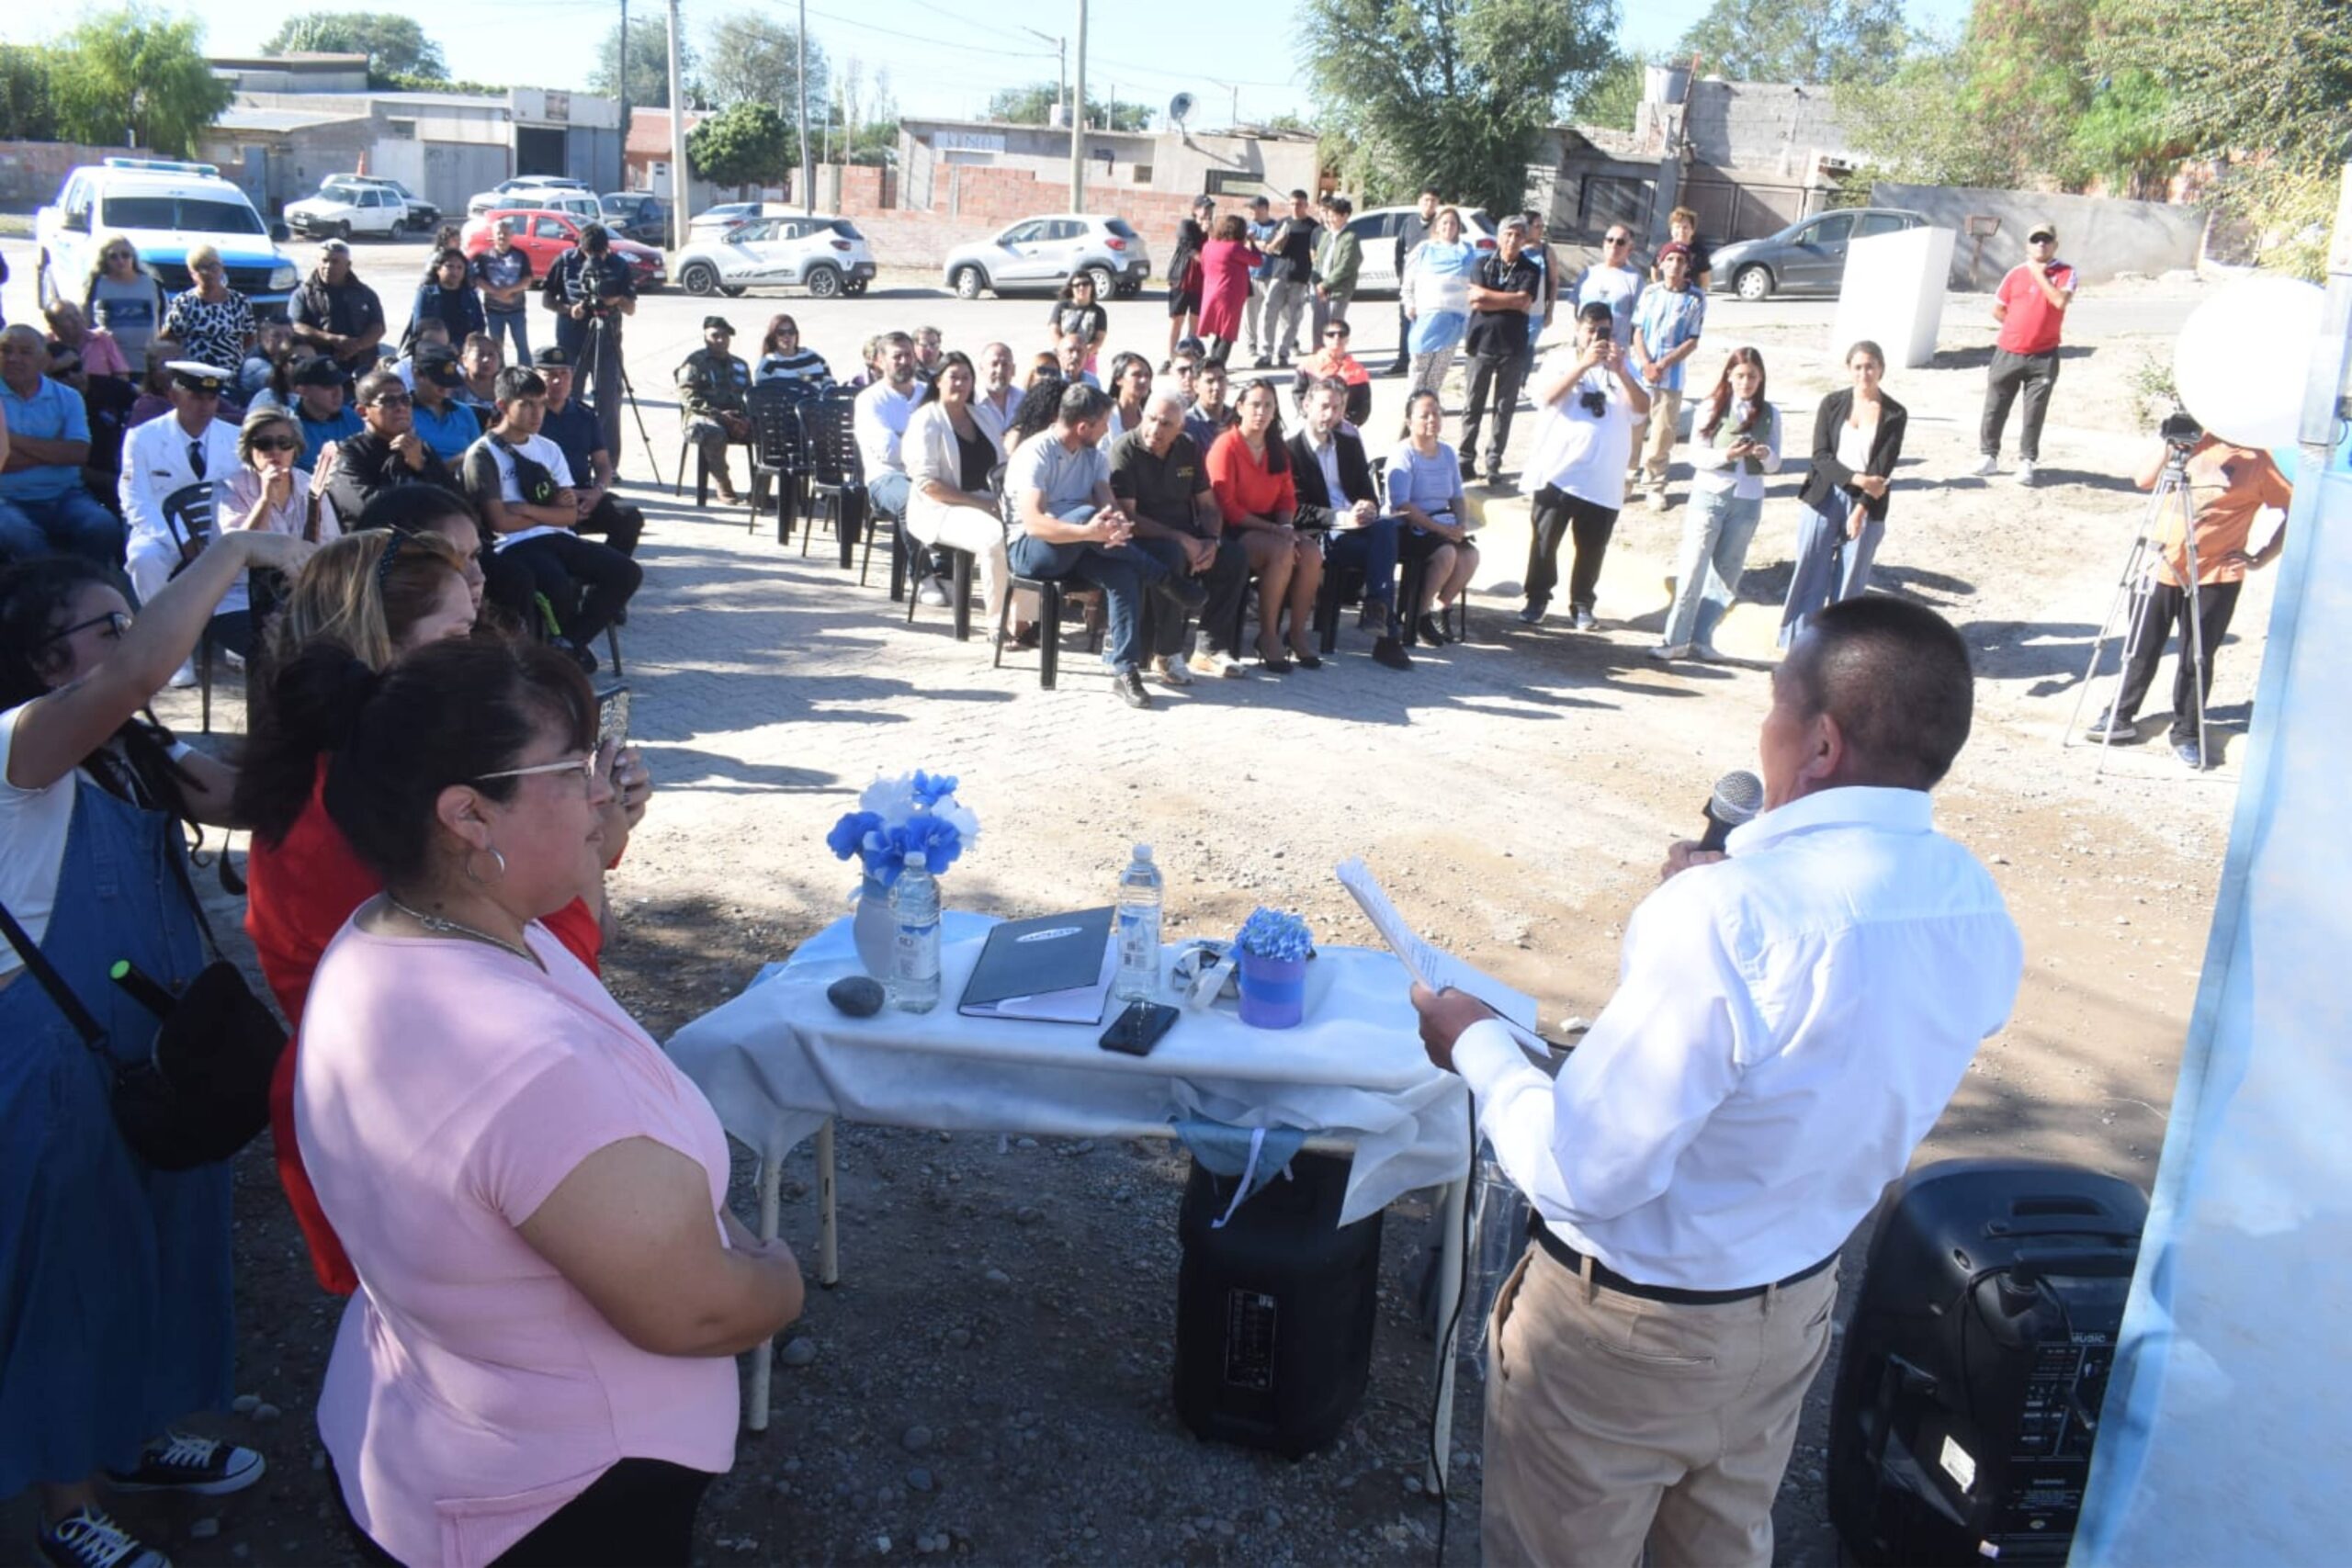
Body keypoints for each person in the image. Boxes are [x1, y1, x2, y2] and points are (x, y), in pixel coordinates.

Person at [1409, 595, 2023, 1568]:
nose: (1764, 729)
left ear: (1820, 743)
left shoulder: (1727, 918)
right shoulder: (1972, 902)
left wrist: (1478, 1046)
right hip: (1791, 1308)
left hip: (1626, 1334)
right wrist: (1711, 905)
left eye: (1775, 704)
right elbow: (1847, 1030)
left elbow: (1583, 1175)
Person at [255, 635, 793, 1567]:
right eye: (573, 770)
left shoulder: (390, 934)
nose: (601, 792)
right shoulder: (531, 1065)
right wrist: (779, 1272)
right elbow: (697, 1313)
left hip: (431, 1441)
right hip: (555, 1500)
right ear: (468, 815)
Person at [1, 535, 316, 1568]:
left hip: (159, 1040)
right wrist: (240, 546)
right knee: (71, 1270)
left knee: (162, 1243)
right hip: (52, 1055)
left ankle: (133, 1440)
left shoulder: (132, 746)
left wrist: (314, 685)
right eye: (111, 625)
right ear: (46, 660)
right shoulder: (18, 750)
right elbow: (138, 671)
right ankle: (66, 1504)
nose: (137, 640)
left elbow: (240, 799)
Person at [2084, 434, 2291, 769]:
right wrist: (2171, 440)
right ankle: (2119, 716)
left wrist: (2261, 557)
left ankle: (2186, 733)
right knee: (2140, 647)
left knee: (2197, 656)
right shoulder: (2189, 443)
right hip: (2159, 566)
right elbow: (2143, 480)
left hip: (2215, 575)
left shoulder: (2259, 462)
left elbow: (2294, 510)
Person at [1004, 382, 1198, 708]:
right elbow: (1035, 523)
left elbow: (1108, 504)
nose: (1109, 430)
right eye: (1104, 423)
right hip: (1033, 549)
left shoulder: (1094, 456)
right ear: (1083, 427)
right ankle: (1162, 577)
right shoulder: (1035, 453)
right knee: (1085, 514)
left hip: (1081, 543)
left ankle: (1125, 670)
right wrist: (1088, 530)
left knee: (1123, 573)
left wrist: (1116, 524)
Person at [460, 367, 642, 671]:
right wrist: (548, 515)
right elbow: (499, 522)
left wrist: (527, 509)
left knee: (626, 572)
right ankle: (558, 655)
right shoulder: (483, 454)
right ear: (503, 405)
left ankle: (569, 644)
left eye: (541, 404)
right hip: (513, 545)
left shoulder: (548, 449)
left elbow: (570, 514)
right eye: (527, 405)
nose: (537, 414)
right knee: (556, 584)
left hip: (557, 535)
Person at [1518, 301, 1650, 630]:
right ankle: (1537, 598)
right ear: (1577, 329)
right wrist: (1583, 365)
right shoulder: (1559, 360)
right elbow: (1545, 398)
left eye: (1603, 331)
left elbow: (1642, 409)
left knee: (1592, 549)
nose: (1596, 337)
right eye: (1590, 330)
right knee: (1545, 542)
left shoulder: (1623, 366)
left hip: (1603, 478)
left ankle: (1582, 604)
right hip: (1559, 473)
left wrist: (1621, 372)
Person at [1111, 387, 1251, 684]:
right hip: (1143, 539)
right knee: (1171, 556)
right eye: (1151, 419)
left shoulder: (1187, 447)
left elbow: (1208, 506)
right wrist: (1182, 540)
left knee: (1234, 556)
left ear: (1180, 427)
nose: (1155, 429)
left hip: (1187, 534)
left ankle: (1211, 648)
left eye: (1166, 424)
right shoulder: (1125, 449)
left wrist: (1211, 541)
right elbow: (1129, 518)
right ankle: (1167, 652)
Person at [121, 361, 251, 677]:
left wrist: (219, 539)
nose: (204, 406)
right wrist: (179, 541)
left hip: (221, 532)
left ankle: (235, 638)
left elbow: (243, 494)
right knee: (143, 558)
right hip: (162, 532)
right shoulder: (143, 438)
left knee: (246, 557)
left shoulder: (236, 439)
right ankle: (171, 654)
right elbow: (136, 500)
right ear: (174, 396)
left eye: (211, 398)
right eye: (195, 397)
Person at [1655, 346, 1782, 662]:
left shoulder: (1770, 413)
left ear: (1761, 378)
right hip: (1710, 495)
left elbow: (1776, 464)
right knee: (1693, 568)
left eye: (1752, 376)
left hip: (1748, 499)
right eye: (1740, 375)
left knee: (1728, 573)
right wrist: (1727, 454)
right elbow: (1696, 456)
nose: (1746, 382)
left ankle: (1702, 637)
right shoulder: (1711, 407)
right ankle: (1675, 639)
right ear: (1729, 376)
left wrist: (1764, 455)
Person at [1780, 340, 1909, 647]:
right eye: (1858, 367)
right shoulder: (1832, 403)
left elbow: (1882, 469)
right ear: (1849, 369)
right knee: (1810, 568)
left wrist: (1861, 508)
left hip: (1867, 502)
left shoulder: (1895, 413)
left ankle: (1837, 646)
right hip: (1825, 493)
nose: (1864, 373)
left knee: (1851, 577)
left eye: (1870, 367)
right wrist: (1856, 479)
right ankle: (1797, 644)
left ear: (1881, 369)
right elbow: (1821, 456)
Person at [1289, 377, 1411, 670]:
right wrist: (1342, 518)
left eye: (1337, 408)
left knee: (1386, 528)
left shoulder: (1348, 443)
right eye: (1324, 406)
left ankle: (1377, 611)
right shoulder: (1291, 451)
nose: (1330, 414)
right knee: (1383, 549)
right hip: (1324, 534)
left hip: (1360, 528)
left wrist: (1367, 506)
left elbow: (1366, 493)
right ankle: (1386, 633)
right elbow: (1296, 511)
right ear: (1307, 406)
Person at [1208, 378, 1323, 671]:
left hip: (1273, 526)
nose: (1261, 412)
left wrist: (1286, 527)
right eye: (1255, 404)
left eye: (1268, 406)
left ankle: (1296, 633)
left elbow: (1287, 497)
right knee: (1281, 552)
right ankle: (1268, 635)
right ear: (1240, 407)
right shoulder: (1226, 446)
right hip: (1235, 529)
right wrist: (1276, 532)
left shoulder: (1277, 448)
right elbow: (1227, 507)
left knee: (1311, 553)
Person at [902, 350, 1012, 634]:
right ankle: (998, 625)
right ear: (938, 381)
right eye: (954, 377)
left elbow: (1002, 465)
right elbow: (927, 484)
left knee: (1031, 531)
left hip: (988, 501)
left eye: (966, 378)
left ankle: (1024, 620)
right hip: (941, 508)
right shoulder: (926, 419)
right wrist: (980, 504)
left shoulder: (982, 415)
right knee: (995, 538)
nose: (961, 384)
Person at [0, 327, 123, 566]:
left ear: (44, 360)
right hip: (7, 499)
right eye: (5, 350)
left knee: (102, 525)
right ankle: (52, 582)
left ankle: (82, 584)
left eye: (25, 352)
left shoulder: (68, 397)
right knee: (18, 534)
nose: (13, 358)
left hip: (65, 496)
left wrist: (11, 439)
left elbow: (78, 453)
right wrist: (55, 450)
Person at [1976, 221, 2076, 485]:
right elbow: (1998, 309)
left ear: (2055, 244)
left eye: (2046, 239)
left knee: (2034, 411)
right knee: (1995, 406)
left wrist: (2038, 273)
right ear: (2027, 245)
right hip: (2008, 352)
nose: (2041, 244)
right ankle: (1988, 455)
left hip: (2043, 356)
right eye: (2035, 239)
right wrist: (2017, 328)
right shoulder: (2015, 274)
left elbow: (2059, 301)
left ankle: (2027, 461)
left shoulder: (2065, 272)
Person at [220, 406, 345, 604]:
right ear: (250, 448)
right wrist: (266, 498)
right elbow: (240, 554)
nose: (275, 451)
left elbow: (331, 545)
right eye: (264, 444)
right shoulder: (230, 487)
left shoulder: (310, 485)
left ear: (295, 448)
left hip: (304, 593)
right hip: (242, 595)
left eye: (284, 443)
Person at [1385, 389, 1480, 642]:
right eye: (1425, 415)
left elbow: (1457, 495)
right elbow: (1402, 504)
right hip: (1409, 527)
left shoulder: (1447, 452)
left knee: (1470, 556)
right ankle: (1418, 614)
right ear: (1409, 422)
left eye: (1436, 414)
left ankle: (1439, 606)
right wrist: (1441, 530)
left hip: (1442, 524)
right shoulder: (1403, 453)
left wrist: (1460, 525)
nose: (1432, 420)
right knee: (1446, 554)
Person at [537, 347, 647, 562]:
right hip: (545, 499)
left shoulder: (585, 415)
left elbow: (603, 464)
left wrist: (597, 492)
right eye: (550, 375)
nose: (558, 381)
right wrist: (563, 497)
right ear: (536, 377)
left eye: (564, 374)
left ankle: (610, 568)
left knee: (629, 516)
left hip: (585, 495)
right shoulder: (531, 416)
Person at [543, 222, 637, 470]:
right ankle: (567, 462)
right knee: (567, 400)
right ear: (580, 249)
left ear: (607, 249)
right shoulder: (565, 261)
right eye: (589, 254)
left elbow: (631, 308)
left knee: (608, 403)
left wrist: (617, 299)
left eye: (600, 254)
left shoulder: (619, 265)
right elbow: (547, 299)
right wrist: (568, 309)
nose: (594, 260)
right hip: (571, 342)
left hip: (608, 342)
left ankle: (608, 466)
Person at [1460, 215, 1543, 486]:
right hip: (1481, 344)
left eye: (1519, 235)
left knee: (1504, 409)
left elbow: (1524, 301)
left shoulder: (1530, 269)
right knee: (1473, 405)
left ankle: (1494, 461)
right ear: (1499, 236)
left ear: (1524, 239)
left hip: (1513, 346)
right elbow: (1475, 301)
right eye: (1508, 234)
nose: (1513, 240)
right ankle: (1465, 459)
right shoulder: (1482, 263)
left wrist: (1489, 297)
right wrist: (1510, 300)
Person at [319, 368, 455, 525]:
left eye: (405, 400)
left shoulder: (421, 449)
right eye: (389, 402)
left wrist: (420, 467)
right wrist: (400, 469)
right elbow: (368, 509)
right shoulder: (347, 454)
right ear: (363, 412)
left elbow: (455, 502)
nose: (401, 407)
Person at [1630, 243, 1708, 507]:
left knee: (1663, 432)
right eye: (1670, 259)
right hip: (1642, 373)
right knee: (1633, 428)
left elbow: (1692, 339)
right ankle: (1625, 479)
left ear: (1687, 266)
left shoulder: (1695, 298)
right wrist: (1646, 363)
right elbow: (1638, 331)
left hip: (1670, 376)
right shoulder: (1650, 292)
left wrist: (1662, 364)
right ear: (1661, 263)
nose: (1674, 265)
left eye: (1680, 260)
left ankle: (1654, 484)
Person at [1401, 207, 1480, 406]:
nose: (1448, 227)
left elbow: (1476, 281)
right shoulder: (1424, 249)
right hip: (1426, 316)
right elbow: (1408, 280)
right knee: (1419, 364)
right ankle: (1413, 405)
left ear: (1458, 227)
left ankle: (1431, 404)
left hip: (1454, 319)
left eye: (1453, 223)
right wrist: (1409, 303)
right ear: (1437, 226)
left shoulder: (1467, 251)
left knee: (1439, 368)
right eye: (1444, 222)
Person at [854, 330, 930, 526]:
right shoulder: (870, 400)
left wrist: (903, 436)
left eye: (909, 355)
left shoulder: (929, 394)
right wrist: (927, 444)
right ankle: (913, 550)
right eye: (897, 356)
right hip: (886, 478)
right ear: (880, 361)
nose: (905, 361)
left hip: (931, 475)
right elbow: (889, 451)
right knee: (914, 501)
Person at [677, 316, 755, 507]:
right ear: (705, 337)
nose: (720, 340)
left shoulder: (740, 364)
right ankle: (723, 483)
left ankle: (759, 489)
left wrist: (747, 417)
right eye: (715, 336)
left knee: (767, 431)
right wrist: (718, 415)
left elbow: (750, 395)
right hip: (703, 418)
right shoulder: (694, 363)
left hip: (735, 418)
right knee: (714, 432)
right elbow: (688, 397)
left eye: (725, 336)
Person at [288, 240, 388, 384]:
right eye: (324, 261)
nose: (328, 266)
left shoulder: (365, 294)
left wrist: (357, 346)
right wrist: (332, 339)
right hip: (320, 367)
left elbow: (378, 327)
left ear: (348, 265)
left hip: (362, 366)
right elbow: (296, 326)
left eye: (335, 262)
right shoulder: (303, 294)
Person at [157, 245, 255, 377]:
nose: (208, 272)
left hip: (229, 374)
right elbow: (168, 340)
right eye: (201, 268)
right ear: (192, 273)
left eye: (213, 266)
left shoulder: (240, 302)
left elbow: (249, 338)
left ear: (222, 268)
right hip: (193, 375)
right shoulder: (184, 302)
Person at [81, 235, 169, 375]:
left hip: (146, 367)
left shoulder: (152, 285)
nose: (120, 260)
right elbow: (85, 325)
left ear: (133, 257)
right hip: (107, 368)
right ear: (104, 260)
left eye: (125, 255)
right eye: (113, 257)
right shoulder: (95, 286)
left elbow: (165, 323)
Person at [1259, 190, 1319, 368]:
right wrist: (1278, 239)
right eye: (1292, 204)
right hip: (1279, 275)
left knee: (1293, 318)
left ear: (1306, 205)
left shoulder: (1313, 227)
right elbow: (1268, 249)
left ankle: (1284, 352)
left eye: (1299, 204)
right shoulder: (1282, 223)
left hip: (1300, 278)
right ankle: (1266, 353)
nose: (1295, 207)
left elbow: (1316, 255)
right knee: (1269, 312)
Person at [1195, 215, 1263, 367]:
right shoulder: (1234, 248)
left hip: (1211, 291)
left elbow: (1204, 267)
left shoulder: (1208, 245)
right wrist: (1252, 242)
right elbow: (1257, 261)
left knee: (1219, 332)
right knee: (1227, 333)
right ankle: (1218, 365)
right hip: (1230, 293)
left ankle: (1212, 362)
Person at [1387, 186, 1440, 375]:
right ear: (1419, 202)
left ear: (1438, 203)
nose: (1429, 204)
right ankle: (1403, 360)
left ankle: (1424, 362)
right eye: (1426, 200)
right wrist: (1401, 274)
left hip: (1431, 282)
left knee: (1428, 321)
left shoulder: (1440, 223)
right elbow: (1399, 248)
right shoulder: (1409, 222)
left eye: (1433, 201)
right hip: (1410, 280)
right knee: (1406, 320)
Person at [401, 247, 486, 359]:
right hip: (431, 351)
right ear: (438, 269)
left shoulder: (470, 296)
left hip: (462, 353)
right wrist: (441, 346)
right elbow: (419, 325)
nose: (455, 271)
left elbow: (479, 326)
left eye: (459, 267)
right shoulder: (426, 293)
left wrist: (459, 346)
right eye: (449, 266)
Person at [405, 347, 484, 464]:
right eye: (439, 383)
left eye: (449, 384)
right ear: (417, 374)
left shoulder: (464, 412)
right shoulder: (401, 413)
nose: (445, 390)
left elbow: (480, 457)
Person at [472, 218, 536, 364]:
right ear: (493, 235)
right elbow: (479, 280)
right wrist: (498, 294)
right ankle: (499, 374)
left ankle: (526, 372)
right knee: (496, 347)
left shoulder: (520, 255)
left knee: (522, 346)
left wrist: (508, 291)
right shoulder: (484, 257)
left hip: (517, 310)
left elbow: (527, 279)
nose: (502, 236)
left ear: (512, 235)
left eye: (506, 233)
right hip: (494, 311)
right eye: (499, 233)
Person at [1292, 318, 1374, 426]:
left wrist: (1348, 423)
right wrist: (1308, 414)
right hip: (1315, 424)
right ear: (1324, 338)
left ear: (1347, 339)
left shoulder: (1358, 371)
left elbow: (1363, 406)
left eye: (1342, 334)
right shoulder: (1308, 364)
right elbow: (1298, 393)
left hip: (1345, 426)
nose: (1336, 338)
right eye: (1331, 334)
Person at [1577, 223, 1645, 351]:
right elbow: (1577, 310)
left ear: (1630, 248)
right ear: (1604, 243)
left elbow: (1639, 320)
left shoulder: (1635, 280)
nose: (1614, 245)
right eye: (1610, 240)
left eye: (1620, 242)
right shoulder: (1588, 274)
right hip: (1584, 349)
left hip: (1615, 351)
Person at [290, 356, 365, 468]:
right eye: (328, 386)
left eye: (340, 384)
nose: (338, 392)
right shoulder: (288, 426)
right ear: (302, 391)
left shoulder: (353, 418)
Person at [1167, 195, 1214, 366]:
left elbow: (1215, 248)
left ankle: (1190, 358)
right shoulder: (1186, 225)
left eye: (1210, 208)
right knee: (1177, 321)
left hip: (1201, 283)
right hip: (1182, 279)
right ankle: (1172, 357)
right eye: (1204, 208)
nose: (1208, 212)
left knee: (1195, 322)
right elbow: (1189, 248)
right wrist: (1203, 231)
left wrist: (1210, 232)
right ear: (1195, 210)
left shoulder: (1212, 229)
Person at [43, 299, 133, 387]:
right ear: (54, 327)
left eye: (77, 314)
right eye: (68, 318)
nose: (76, 320)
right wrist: (56, 365)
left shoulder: (102, 339)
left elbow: (122, 375)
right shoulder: (44, 346)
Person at [1312, 194, 1362, 344]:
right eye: (1328, 215)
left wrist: (1325, 285)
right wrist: (1317, 283)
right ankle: (1319, 354)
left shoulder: (1350, 238)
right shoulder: (1326, 236)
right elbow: (1317, 262)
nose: (1330, 219)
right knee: (1318, 328)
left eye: (1334, 216)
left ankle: (1335, 355)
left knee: (1334, 329)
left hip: (1338, 290)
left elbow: (1346, 266)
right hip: (1320, 288)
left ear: (1345, 216)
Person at [1046, 273, 1109, 375]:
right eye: (1077, 285)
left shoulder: (1099, 311)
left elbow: (1099, 339)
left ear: (1092, 286)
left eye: (1085, 284)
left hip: (1087, 359)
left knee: (1087, 384)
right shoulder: (1061, 307)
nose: (1081, 288)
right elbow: (1054, 332)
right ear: (1071, 288)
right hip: (1062, 358)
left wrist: (1082, 353)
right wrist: (1065, 352)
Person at [754, 312, 832, 391]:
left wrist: (830, 390)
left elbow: (829, 383)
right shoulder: (768, 364)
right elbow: (763, 393)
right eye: (781, 333)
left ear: (796, 334)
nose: (787, 336)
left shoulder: (812, 358)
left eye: (791, 332)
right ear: (773, 336)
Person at [1184, 357, 1235, 463]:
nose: (1217, 387)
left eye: (1221, 379)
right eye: (1210, 381)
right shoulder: (1187, 424)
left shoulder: (1237, 418)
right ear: (1196, 386)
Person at [236, 317, 295, 408]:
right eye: (276, 335)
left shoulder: (287, 359)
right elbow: (282, 383)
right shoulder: (254, 364)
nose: (284, 340)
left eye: (288, 336)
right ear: (263, 337)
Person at [1653, 205, 1713, 292]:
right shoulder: (1663, 248)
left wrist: (1699, 293)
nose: (1681, 231)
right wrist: (1658, 288)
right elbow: (1654, 269)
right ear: (1671, 230)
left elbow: (1705, 278)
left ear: (1692, 231)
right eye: (1677, 227)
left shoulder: (1700, 251)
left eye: (1685, 227)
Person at [972, 341, 1022, 445]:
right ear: (981, 368)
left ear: (1013, 370)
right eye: (994, 364)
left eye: (1005, 365)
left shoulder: (1024, 400)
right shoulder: (971, 402)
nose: (999, 370)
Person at [1103, 351, 1156, 445]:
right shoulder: (1103, 415)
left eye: (1147, 375)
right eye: (1136, 375)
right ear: (1118, 379)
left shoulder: (1150, 418)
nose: (1144, 380)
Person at [456, 332, 503, 412]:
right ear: (464, 360)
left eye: (491, 355)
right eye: (480, 355)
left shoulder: (507, 388)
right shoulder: (455, 388)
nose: (486, 360)